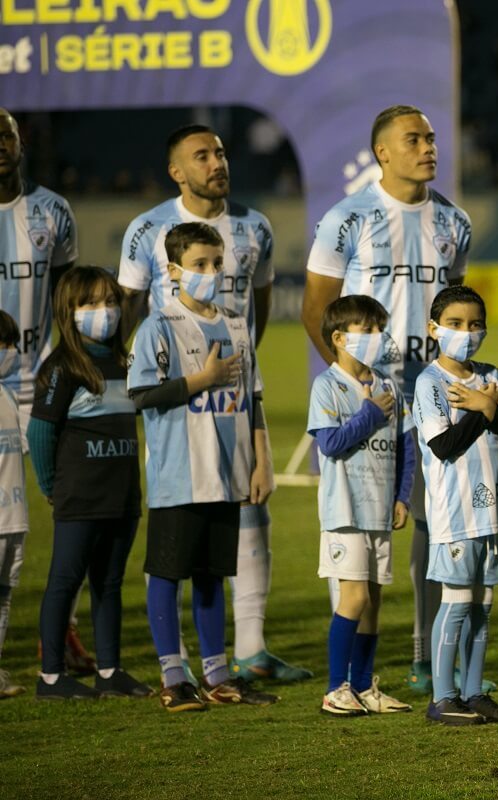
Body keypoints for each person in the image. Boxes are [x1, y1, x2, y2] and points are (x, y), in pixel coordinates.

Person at [117, 124, 306, 684]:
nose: (216, 162)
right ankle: (176, 669)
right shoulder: (147, 229)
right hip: (179, 405)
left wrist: (237, 360)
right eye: (202, 155)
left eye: (221, 152)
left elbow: (260, 305)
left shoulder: (254, 227)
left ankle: (250, 648)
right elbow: (128, 307)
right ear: (177, 170)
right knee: (181, 532)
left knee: (251, 512)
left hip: (233, 390)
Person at [302, 105, 478, 696]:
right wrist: (354, 385)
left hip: (432, 396)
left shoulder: (455, 222)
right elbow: (317, 308)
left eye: (431, 137)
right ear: (382, 152)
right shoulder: (346, 219)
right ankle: (348, 679)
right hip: (371, 403)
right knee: (358, 527)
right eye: (414, 139)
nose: (428, 146)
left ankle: (430, 657)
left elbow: (451, 308)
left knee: (436, 522)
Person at [128, 222, 277, 712]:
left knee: (213, 575)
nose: (211, 272)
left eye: (216, 263)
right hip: (180, 476)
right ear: (173, 271)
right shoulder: (158, 327)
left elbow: (252, 398)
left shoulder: (237, 324)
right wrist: (202, 379)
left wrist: (260, 461)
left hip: (229, 472)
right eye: (199, 265)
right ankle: (174, 675)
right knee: (167, 576)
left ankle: (217, 674)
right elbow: (142, 396)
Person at [0, 108, 94, 676]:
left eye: (4, 136)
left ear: (20, 141)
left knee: (74, 507)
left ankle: (63, 631)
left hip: (38, 385)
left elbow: (68, 299)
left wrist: (72, 367)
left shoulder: (52, 210)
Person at [30, 266, 150, 700]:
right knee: (65, 581)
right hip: (80, 496)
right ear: (69, 311)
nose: (104, 311)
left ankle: (109, 670)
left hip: (122, 496)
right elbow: (40, 433)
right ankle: (51, 677)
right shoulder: (63, 367)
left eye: (110, 301)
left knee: (110, 584)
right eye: (90, 303)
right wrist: (50, 485)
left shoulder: (125, 363)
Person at [411, 286, 498, 725]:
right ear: (433, 328)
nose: (466, 332)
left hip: (493, 509)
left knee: (482, 603)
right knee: (455, 603)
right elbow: (443, 445)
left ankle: (475, 692)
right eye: (455, 324)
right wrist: (485, 410)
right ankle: (442, 698)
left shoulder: (492, 374)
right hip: (455, 511)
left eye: (475, 324)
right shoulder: (430, 382)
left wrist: (487, 405)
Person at [307, 295, 415, 717]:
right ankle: (336, 688)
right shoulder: (327, 386)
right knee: (352, 598)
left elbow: (406, 447)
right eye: (367, 331)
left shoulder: (389, 386)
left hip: (379, 510)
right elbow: (330, 444)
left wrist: (402, 496)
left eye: (379, 329)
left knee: (373, 601)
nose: (377, 338)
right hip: (346, 510)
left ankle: (366, 686)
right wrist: (369, 413)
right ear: (339, 338)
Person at [0, 311, 28, 698]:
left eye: (10, 345)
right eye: (2, 345)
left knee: (4, 593)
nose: (8, 352)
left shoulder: (8, 395)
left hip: (15, 517)